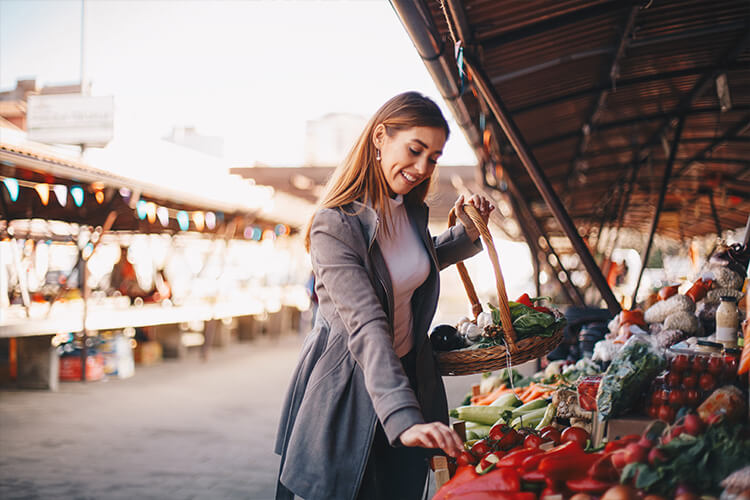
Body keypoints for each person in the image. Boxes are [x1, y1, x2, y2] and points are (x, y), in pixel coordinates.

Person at [274, 92, 495, 500]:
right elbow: (366, 324)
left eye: (433, 156)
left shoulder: (408, 210)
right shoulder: (334, 225)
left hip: (410, 376)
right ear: (380, 137)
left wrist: (468, 231)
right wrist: (402, 417)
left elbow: (415, 264)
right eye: (414, 150)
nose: (422, 167)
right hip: (351, 389)